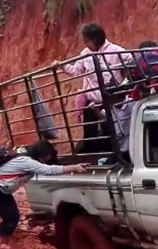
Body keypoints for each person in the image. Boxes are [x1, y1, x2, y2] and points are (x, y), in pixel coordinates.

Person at [0, 140, 87, 249]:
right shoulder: (26, 161)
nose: (49, 157)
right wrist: (74, 167)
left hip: (2, 191)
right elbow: (48, 170)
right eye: (48, 155)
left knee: (12, 217)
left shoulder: (27, 160)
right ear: (41, 155)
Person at [53, 23, 132, 152]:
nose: (85, 44)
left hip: (111, 100)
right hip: (92, 101)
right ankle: (91, 158)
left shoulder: (114, 50)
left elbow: (132, 60)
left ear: (95, 39)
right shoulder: (85, 53)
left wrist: (125, 83)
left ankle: (114, 155)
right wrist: (61, 65)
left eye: (86, 41)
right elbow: (76, 71)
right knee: (89, 132)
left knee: (110, 130)